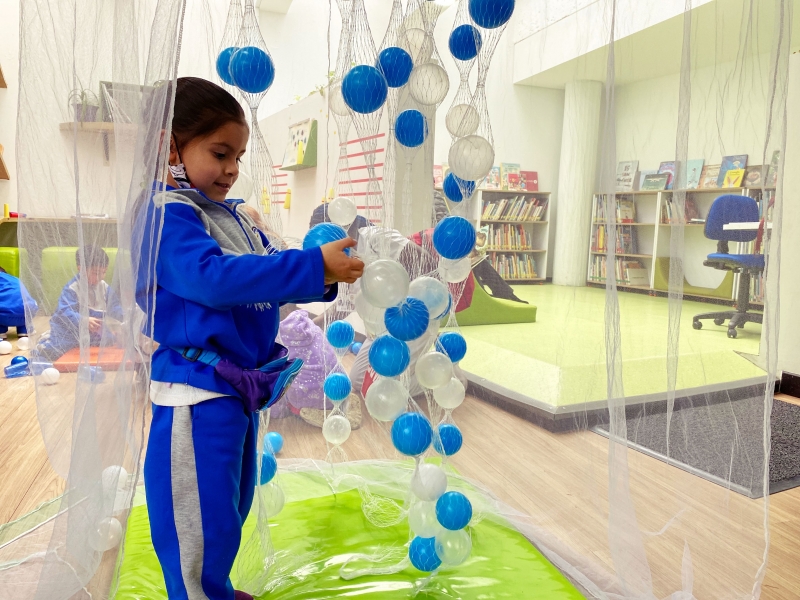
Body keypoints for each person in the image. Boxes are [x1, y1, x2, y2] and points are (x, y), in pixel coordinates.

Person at [136, 77, 363, 600]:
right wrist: (307, 266)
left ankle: (213, 587)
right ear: (170, 148)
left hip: (235, 389)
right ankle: (197, 591)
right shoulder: (167, 213)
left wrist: (322, 277)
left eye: (237, 155)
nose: (232, 169)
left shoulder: (230, 216)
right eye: (220, 153)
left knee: (230, 506)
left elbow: (257, 290)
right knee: (198, 516)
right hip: (196, 389)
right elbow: (212, 280)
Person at [35, 244, 122, 361]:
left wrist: (127, 317)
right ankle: (46, 340)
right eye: (96, 273)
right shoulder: (73, 288)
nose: (101, 277)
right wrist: (84, 320)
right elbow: (64, 311)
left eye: (104, 272)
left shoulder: (104, 287)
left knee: (110, 340)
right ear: (80, 269)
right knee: (57, 351)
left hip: (94, 330)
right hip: (69, 331)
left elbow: (114, 307)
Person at [0, 266, 37, 338]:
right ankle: (24, 330)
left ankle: (1, 331)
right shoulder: (15, 279)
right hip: (27, 314)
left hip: (3, 316)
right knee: (22, 304)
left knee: (4, 304)